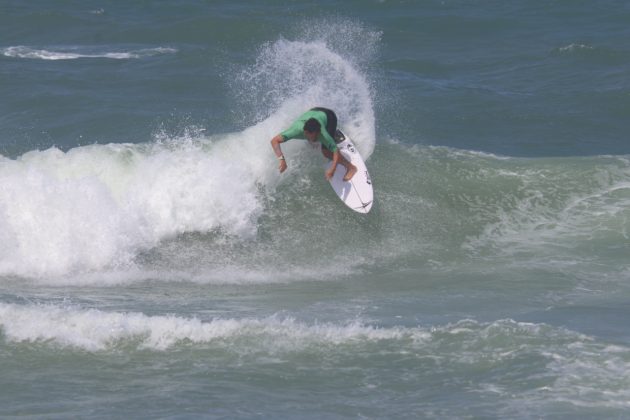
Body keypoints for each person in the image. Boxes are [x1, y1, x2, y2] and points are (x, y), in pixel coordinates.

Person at [270, 107, 357, 181]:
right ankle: (333, 136)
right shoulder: (295, 131)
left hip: (329, 116)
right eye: (315, 135)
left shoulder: (322, 133)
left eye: (318, 135)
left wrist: (333, 169)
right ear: (306, 132)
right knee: (312, 143)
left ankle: (351, 168)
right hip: (314, 111)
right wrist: (282, 159)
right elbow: (274, 141)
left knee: (326, 152)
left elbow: (335, 151)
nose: (317, 137)